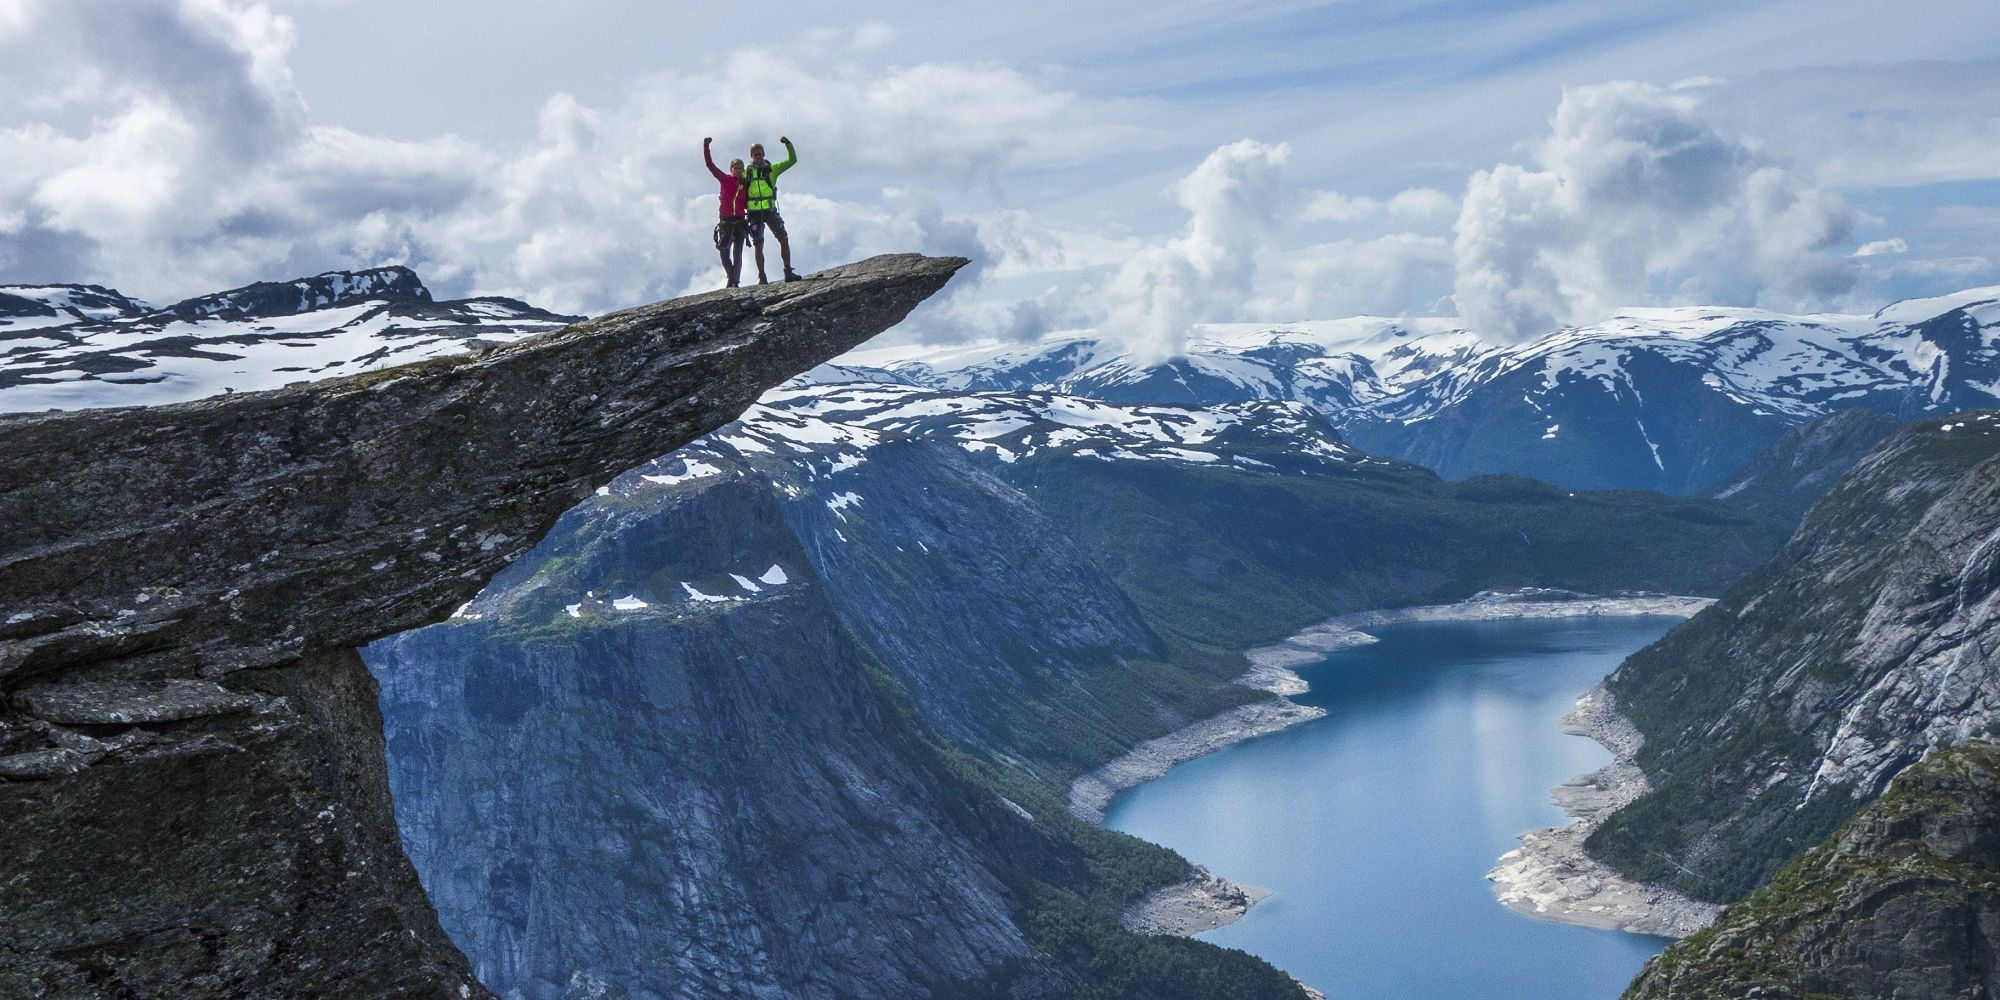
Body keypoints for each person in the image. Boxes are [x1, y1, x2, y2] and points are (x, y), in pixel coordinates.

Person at [743, 136, 800, 283]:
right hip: (754, 212)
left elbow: (792, 160)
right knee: (758, 244)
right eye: (755, 154)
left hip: (770, 210)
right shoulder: (746, 172)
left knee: (783, 238)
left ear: (764, 154)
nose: (758, 156)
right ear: (751, 156)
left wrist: (788, 144)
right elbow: (731, 181)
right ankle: (762, 277)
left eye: (760, 153)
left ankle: (788, 272)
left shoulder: (772, 169)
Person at [703, 137, 748, 288]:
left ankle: (734, 282)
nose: (737, 170)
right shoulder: (724, 179)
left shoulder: (746, 184)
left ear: (743, 170)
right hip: (726, 221)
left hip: (740, 221)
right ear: (731, 169)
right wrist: (706, 146)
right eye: (735, 168)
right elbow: (710, 165)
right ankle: (731, 276)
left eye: (740, 168)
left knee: (738, 254)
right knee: (723, 251)